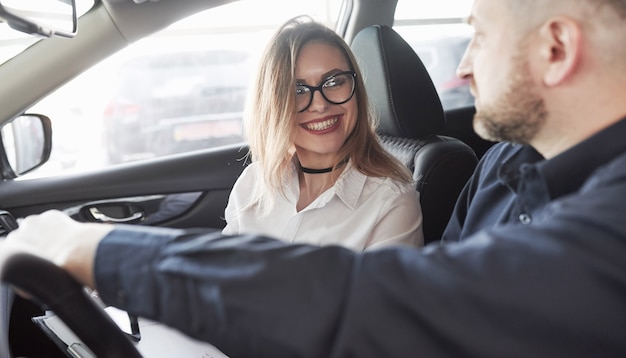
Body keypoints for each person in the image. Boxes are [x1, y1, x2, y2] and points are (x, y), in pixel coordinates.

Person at [4, 0, 626, 356]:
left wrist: (94, 250)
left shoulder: (610, 222)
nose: (462, 68)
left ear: (555, 48)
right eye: (298, 92)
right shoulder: (500, 167)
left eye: (480, 37)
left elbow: (387, 300)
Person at [221, 16, 423, 250]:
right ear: (273, 104)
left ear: (356, 90)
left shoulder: (390, 202)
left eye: (334, 82)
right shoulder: (252, 183)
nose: (319, 105)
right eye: (298, 89)